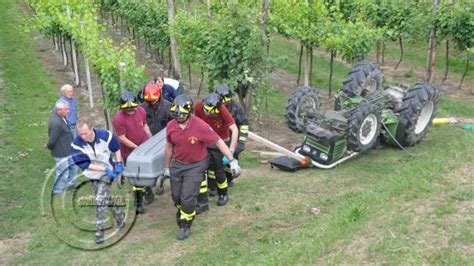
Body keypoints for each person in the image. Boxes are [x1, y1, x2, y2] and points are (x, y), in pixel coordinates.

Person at [164, 94, 240, 240]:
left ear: (189, 113)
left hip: (196, 165)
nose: (179, 117)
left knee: (187, 197)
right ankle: (185, 210)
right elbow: (168, 147)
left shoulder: (200, 126)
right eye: (176, 114)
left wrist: (232, 160)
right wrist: (166, 168)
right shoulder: (170, 126)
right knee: (176, 196)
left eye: (182, 115)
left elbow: (218, 141)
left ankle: (185, 224)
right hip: (178, 165)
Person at [71, 118, 125, 244]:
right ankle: (119, 216)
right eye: (81, 134)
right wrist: (103, 169)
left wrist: (118, 163)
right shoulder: (76, 145)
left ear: (92, 128)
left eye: (86, 133)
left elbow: (116, 149)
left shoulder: (106, 136)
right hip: (93, 173)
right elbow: (84, 164)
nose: (83, 136)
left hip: (108, 173)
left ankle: (99, 231)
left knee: (100, 199)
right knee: (104, 197)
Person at [194, 93, 239, 210]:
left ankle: (223, 194)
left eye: (211, 112)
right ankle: (202, 200)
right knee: (201, 169)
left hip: (220, 142)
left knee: (219, 170)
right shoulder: (198, 107)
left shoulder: (223, 110)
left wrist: (231, 151)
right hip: (205, 141)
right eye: (206, 110)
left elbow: (234, 129)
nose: (207, 113)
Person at [112, 91, 152, 214]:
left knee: (147, 172)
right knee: (136, 177)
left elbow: (144, 125)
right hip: (129, 153)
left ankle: (148, 191)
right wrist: (136, 147)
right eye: (127, 109)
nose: (131, 111)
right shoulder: (118, 118)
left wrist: (150, 137)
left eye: (132, 108)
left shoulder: (141, 111)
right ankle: (138, 202)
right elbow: (122, 137)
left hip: (144, 147)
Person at [216, 84, 249, 186]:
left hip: (232, 139)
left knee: (231, 160)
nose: (225, 102)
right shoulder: (213, 104)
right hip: (219, 138)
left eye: (227, 99)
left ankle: (229, 180)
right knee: (216, 160)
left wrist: (241, 142)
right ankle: (216, 183)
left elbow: (244, 124)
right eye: (222, 100)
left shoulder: (236, 107)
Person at [45, 100, 77, 195]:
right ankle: (57, 190)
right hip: (61, 151)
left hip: (67, 149)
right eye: (66, 109)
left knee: (73, 166)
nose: (69, 111)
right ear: (59, 110)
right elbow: (52, 139)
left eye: (68, 108)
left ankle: (70, 183)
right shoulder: (56, 123)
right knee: (63, 172)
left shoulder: (61, 117)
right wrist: (48, 146)